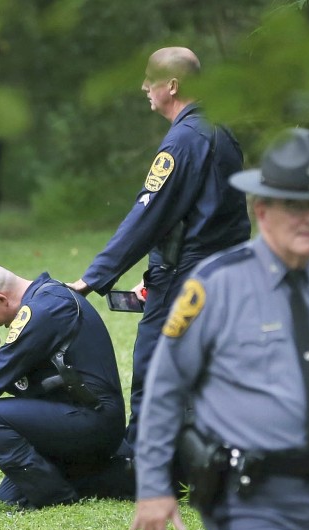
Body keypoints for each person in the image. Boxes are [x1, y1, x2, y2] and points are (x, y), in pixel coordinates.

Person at [129, 128, 309, 530]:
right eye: (295, 206)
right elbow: (164, 389)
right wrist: (153, 486)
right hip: (247, 495)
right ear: (262, 211)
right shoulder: (215, 286)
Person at [69, 46, 251, 458]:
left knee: (154, 364)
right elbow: (221, 215)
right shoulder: (222, 130)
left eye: (150, 79)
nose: (143, 87)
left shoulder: (184, 140)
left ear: (172, 85)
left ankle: (140, 458)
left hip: (184, 277)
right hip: (224, 272)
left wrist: (93, 277)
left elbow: (147, 214)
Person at [0, 264, 129, 509]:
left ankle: (57, 498)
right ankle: (116, 475)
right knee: (11, 497)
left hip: (95, 422)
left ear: (0, 299)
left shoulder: (46, 308)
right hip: (76, 416)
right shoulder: (44, 300)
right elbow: (32, 387)